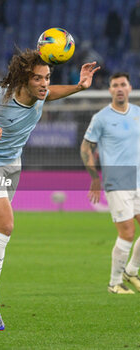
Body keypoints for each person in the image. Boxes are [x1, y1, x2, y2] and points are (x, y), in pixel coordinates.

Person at [0, 48, 100, 330]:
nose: (45, 84)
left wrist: (78, 86)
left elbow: (53, 93)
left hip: (12, 163)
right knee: (6, 224)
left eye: (47, 77)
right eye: (38, 78)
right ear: (25, 78)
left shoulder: (41, 94)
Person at [80, 72, 140, 294]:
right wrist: (95, 177)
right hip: (117, 182)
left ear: (130, 87)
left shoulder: (138, 114)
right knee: (127, 232)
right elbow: (86, 148)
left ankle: (131, 271)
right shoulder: (101, 118)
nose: (119, 89)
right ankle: (114, 283)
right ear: (110, 90)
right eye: (115, 85)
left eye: (123, 84)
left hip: (138, 181)